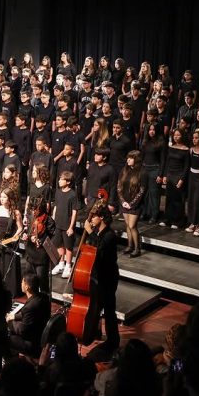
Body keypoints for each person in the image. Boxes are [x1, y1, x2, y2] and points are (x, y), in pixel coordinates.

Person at [83, 204, 120, 352]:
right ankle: (94, 333)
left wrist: (89, 231)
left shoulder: (110, 235)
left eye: (94, 216)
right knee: (97, 306)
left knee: (109, 310)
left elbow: (99, 249)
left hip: (108, 278)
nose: (91, 219)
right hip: (99, 276)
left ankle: (113, 341)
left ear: (102, 217)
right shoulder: (100, 233)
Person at [0, 187, 23, 295]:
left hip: (10, 242)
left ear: (9, 199)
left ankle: (11, 291)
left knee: (10, 266)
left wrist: (13, 238)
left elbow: (20, 228)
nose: (1, 199)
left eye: (4, 197)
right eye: (1, 197)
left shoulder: (16, 212)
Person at [7, 274, 50, 358]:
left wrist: (10, 322)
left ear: (27, 287)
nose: (21, 283)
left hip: (33, 345)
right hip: (41, 336)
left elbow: (23, 331)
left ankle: (12, 361)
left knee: (3, 337)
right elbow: (31, 315)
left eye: (22, 282)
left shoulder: (30, 307)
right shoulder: (44, 297)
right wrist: (15, 316)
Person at [22, 195, 55, 293]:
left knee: (42, 281)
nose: (33, 211)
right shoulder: (30, 217)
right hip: (30, 254)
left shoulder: (48, 220)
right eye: (32, 209)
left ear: (41, 208)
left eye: (35, 209)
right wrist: (26, 236)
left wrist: (41, 240)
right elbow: (28, 231)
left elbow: (52, 237)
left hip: (41, 256)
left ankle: (44, 300)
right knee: (30, 282)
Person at [118, 150, 147, 256]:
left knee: (132, 225)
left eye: (131, 158)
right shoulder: (124, 170)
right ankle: (129, 246)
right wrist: (123, 201)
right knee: (127, 225)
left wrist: (131, 204)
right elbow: (119, 186)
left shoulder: (142, 172)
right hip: (125, 202)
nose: (128, 160)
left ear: (136, 159)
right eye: (128, 158)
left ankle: (137, 248)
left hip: (135, 204)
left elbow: (142, 190)